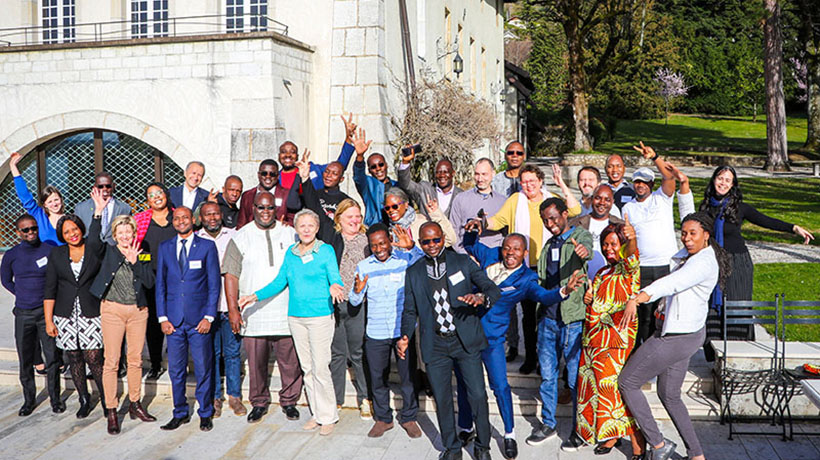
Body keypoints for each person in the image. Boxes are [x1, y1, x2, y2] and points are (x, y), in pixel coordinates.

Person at [457, 232, 584, 459]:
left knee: (500, 387)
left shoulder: (527, 279)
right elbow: (470, 244)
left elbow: (544, 296)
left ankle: (508, 434)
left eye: (516, 249)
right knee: (466, 386)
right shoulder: (490, 255)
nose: (510, 253)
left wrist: (564, 291)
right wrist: (473, 229)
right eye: (507, 248)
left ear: (525, 254)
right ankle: (466, 428)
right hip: (466, 334)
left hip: (492, 340)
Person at [619, 212, 732, 460]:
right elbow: (690, 214)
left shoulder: (703, 262)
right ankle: (697, 454)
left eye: (693, 234)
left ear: (706, 236)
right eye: (684, 233)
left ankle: (658, 445)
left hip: (676, 337)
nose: (687, 239)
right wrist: (684, 189)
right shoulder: (693, 254)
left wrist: (639, 297)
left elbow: (674, 283)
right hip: (685, 333)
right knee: (669, 394)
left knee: (627, 382)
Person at [398, 222, 502, 460]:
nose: (432, 246)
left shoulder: (462, 262)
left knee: (477, 395)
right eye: (426, 242)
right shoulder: (413, 272)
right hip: (435, 345)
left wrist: (480, 297)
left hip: (464, 341)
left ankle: (482, 447)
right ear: (420, 243)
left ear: (443, 238)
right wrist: (404, 336)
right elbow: (409, 310)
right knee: (443, 399)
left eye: (436, 240)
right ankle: (452, 449)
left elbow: (493, 290)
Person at [239, 209, 346, 436]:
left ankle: (329, 416)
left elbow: (334, 276)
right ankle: (317, 414)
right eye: (302, 226)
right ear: (296, 230)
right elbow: (279, 282)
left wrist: (335, 286)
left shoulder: (325, 251)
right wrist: (253, 296)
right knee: (307, 368)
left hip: (319, 317)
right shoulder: (291, 253)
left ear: (317, 228)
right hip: (296, 317)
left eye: (310, 226)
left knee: (320, 367)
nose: (306, 229)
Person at [466, 163, 581, 374]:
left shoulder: (550, 198)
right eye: (524, 181)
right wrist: (481, 222)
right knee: (528, 317)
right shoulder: (515, 200)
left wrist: (562, 185)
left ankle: (549, 361)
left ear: (540, 182)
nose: (528, 185)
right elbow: (498, 220)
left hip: (549, 266)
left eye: (532, 181)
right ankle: (531, 357)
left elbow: (575, 209)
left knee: (548, 314)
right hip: (525, 268)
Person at [698, 165, 815, 360]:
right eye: (720, 178)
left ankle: (737, 354)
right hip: (713, 262)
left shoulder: (739, 207)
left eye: (728, 180)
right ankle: (715, 355)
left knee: (736, 307)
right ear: (713, 179)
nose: (723, 183)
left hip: (738, 264)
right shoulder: (705, 207)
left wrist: (793, 228)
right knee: (712, 307)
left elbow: (765, 220)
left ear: (733, 185)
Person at [296, 155, 372, 417]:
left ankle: (365, 397)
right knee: (337, 352)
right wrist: (306, 178)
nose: (354, 219)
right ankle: (336, 399)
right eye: (350, 215)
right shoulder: (331, 234)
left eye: (357, 215)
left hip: (358, 303)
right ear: (339, 218)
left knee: (359, 352)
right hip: (333, 303)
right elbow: (315, 207)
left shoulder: (367, 239)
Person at [222, 191, 304, 423]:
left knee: (290, 362)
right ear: (253, 208)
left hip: (286, 310)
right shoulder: (241, 237)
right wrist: (233, 310)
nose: (266, 212)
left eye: (270, 208)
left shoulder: (290, 233)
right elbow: (230, 275)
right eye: (261, 207)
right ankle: (258, 402)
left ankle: (289, 401)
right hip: (253, 314)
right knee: (256, 365)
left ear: (276, 209)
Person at [526, 197, 592, 451]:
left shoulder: (580, 236)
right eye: (546, 220)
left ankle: (580, 428)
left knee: (575, 380)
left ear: (566, 214)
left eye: (554, 218)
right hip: (548, 320)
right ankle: (549, 424)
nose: (550, 223)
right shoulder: (548, 245)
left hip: (572, 321)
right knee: (548, 376)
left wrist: (583, 252)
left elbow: (587, 249)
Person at [576, 220, 645, 458]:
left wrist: (631, 238)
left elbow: (632, 255)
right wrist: (588, 297)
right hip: (593, 341)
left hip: (614, 343)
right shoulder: (602, 271)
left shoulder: (629, 269)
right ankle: (611, 435)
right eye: (605, 245)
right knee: (597, 392)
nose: (608, 249)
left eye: (614, 244)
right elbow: (596, 301)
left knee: (614, 392)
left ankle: (637, 441)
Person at [348, 224, 422, 439]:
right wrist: (356, 291)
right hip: (376, 332)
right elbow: (354, 301)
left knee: (408, 377)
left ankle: (409, 417)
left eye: (382, 243)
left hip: (403, 331)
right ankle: (383, 419)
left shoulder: (403, 260)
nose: (379, 248)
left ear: (389, 241)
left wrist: (412, 248)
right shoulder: (364, 267)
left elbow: (423, 265)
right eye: (374, 245)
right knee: (378, 377)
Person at [89, 212, 157, 434]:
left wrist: (136, 262)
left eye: (129, 231)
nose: (125, 235)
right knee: (112, 360)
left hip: (138, 311)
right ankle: (111, 409)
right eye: (121, 232)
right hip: (113, 310)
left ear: (134, 233)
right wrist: (98, 214)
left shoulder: (142, 253)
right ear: (115, 235)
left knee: (135, 359)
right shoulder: (108, 251)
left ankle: (135, 404)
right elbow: (92, 242)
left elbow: (149, 282)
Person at [155, 206, 221, 432]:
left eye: (185, 217)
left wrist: (209, 317)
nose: (181, 221)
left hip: (198, 321)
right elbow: (160, 285)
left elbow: (214, 284)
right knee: (176, 370)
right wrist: (162, 317)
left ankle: (205, 412)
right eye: (177, 218)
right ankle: (180, 412)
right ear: (172, 222)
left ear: (193, 220)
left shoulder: (207, 247)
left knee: (203, 367)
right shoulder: (165, 248)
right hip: (173, 321)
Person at [622, 142, 693, 346]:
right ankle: (639, 352)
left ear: (652, 184)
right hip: (642, 266)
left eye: (645, 182)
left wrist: (654, 158)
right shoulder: (627, 207)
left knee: (662, 312)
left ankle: (660, 349)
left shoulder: (661, 198)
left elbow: (670, 177)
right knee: (642, 315)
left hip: (665, 264)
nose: (640, 185)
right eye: (637, 181)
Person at [43, 211, 105, 419]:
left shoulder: (93, 249)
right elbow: (49, 289)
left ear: (81, 229)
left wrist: (97, 212)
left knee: (94, 357)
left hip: (91, 311)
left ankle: (107, 399)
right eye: (67, 231)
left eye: (75, 229)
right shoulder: (57, 254)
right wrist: (49, 320)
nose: (72, 234)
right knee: (74, 358)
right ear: (62, 235)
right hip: (66, 315)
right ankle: (84, 399)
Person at [1, 214, 61, 416]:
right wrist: (22, 293)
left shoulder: (49, 250)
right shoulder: (12, 255)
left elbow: (57, 277)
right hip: (23, 313)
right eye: (25, 230)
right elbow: (6, 280)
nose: (30, 232)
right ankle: (29, 400)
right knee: (25, 359)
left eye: (33, 228)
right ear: (18, 232)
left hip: (45, 313)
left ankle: (55, 398)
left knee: (52, 357)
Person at [196, 202, 245, 418]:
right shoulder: (196, 239)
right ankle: (215, 397)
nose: (213, 218)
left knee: (233, 353)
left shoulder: (234, 235)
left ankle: (234, 396)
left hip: (229, 306)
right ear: (201, 217)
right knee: (212, 354)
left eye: (216, 213)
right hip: (206, 308)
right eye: (208, 214)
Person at [134, 182, 176, 380]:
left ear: (166, 194)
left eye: (159, 192)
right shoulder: (141, 220)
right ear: (147, 200)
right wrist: (146, 262)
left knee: (176, 319)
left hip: (176, 278)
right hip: (150, 278)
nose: (156, 196)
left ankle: (177, 362)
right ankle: (156, 364)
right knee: (153, 322)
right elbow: (138, 250)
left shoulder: (178, 217)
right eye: (151, 195)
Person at [276, 113, 357, 192]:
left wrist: (348, 138)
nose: (288, 155)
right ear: (279, 156)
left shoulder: (313, 169)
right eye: (283, 152)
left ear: (297, 156)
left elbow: (340, 165)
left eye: (292, 152)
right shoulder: (274, 178)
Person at [448, 158, 506, 254]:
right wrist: (465, 255)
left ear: (493, 173)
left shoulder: (503, 201)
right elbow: (453, 230)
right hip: (467, 255)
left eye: (484, 174)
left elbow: (506, 232)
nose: (480, 179)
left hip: (495, 254)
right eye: (477, 174)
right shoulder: (461, 199)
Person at [8, 151, 65, 246]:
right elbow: (24, 195)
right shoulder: (39, 215)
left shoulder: (69, 219)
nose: (54, 204)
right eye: (49, 201)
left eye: (56, 200)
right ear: (44, 204)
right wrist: (13, 167)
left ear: (61, 200)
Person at [569, 185, 624, 279]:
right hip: (582, 278)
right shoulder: (576, 223)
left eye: (607, 199)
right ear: (591, 199)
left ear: (612, 202)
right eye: (598, 198)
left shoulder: (620, 225)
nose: (602, 203)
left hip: (612, 278)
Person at [397, 147, 463, 219]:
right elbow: (406, 185)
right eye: (438, 172)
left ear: (453, 173)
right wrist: (405, 162)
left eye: (446, 172)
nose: (442, 175)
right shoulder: (424, 189)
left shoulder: (461, 195)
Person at [352, 128, 397, 226]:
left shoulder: (396, 185)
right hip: (375, 228)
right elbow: (358, 177)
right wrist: (360, 156)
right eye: (373, 167)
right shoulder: (368, 185)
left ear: (386, 165)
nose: (378, 169)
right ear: (369, 170)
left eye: (381, 164)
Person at [384, 187, 457, 247]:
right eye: (387, 208)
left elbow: (450, 239)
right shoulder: (389, 230)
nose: (391, 210)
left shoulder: (421, 221)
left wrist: (436, 214)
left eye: (395, 206)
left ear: (406, 204)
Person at [74, 172, 132, 245]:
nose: (104, 189)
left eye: (108, 186)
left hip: (115, 251)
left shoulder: (124, 208)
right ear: (94, 187)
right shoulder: (81, 208)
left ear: (114, 186)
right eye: (100, 186)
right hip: (90, 250)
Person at [237, 159, 293, 228]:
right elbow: (241, 224)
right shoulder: (247, 196)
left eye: (272, 174)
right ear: (258, 175)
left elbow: (292, 221)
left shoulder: (287, 194)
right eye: (264, 173)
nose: (268, 177)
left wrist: (286, 225)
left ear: (278, 176)